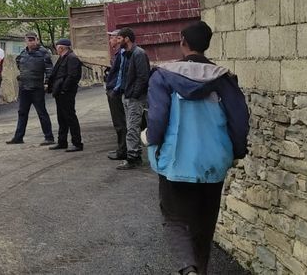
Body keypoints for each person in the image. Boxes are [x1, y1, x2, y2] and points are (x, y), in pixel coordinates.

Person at [146, 21, 249, 274]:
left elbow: (157, 119)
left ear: (183, 42)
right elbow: (240, 120)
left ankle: (187, 269)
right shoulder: (224, 78)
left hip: (176, 160)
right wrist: (235, 152)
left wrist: (154, 145)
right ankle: (199, 270)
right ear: (207, 44)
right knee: (204, 223)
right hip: (214, 162)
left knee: (175, 219)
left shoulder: (163, 76)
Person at [7, 32, 55, 145]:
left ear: (37, 40)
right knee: (22, 113)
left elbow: (49, 70)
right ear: (25, 41)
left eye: (33, 39)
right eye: (29, 40)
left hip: (37, 88)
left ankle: (49, 137)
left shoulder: (44, 53)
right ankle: (18, 137)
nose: (31, 42)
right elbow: (18, 62)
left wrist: (47, 83)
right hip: (24, 88)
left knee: (42, 113)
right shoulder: (23, 53)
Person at [116, 27, 150, 170]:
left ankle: (133, 157)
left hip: (134, 98)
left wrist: (134, 94)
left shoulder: (138, 54)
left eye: (119, 38)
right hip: (128, 96)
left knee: (132, 127)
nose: (117, 41)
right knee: (131, 127)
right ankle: (134, 156)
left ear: (126, 38)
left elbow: (143, 77)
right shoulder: (127, 54)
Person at [47, 38, 83, 152]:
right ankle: (62, 141)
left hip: (66, 93)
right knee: (61, 118)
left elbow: (73, 76)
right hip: (60, 93)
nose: (56, 50)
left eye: (57, 47)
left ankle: (77, 143)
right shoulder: (63, 58)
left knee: (70, 117)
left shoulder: (72, 58)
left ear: (61, 48)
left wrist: (64, 89)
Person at [105, 30, 128, 160]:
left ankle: (122, 151)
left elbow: (120, 74)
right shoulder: (118, 53)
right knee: (119, 122)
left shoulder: (122, 54)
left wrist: (114, 90)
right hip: (114, 90)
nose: (110, 41)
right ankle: (122, 148)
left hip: (116, 92)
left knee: (120, 123)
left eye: (112, 38)